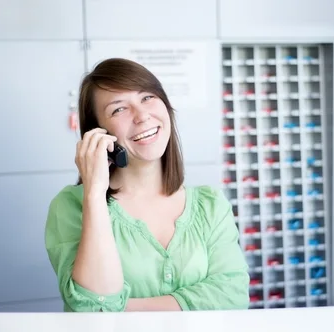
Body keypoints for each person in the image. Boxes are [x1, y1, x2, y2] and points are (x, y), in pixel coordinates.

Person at [44, 58, 250, 312]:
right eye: (119, 109)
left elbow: (233, 295)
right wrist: (95, 193)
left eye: (147, 98)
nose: (142, 116)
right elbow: (92, 307)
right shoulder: (71, 206)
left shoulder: (211, 204)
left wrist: (121, 309)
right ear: (99, 133)